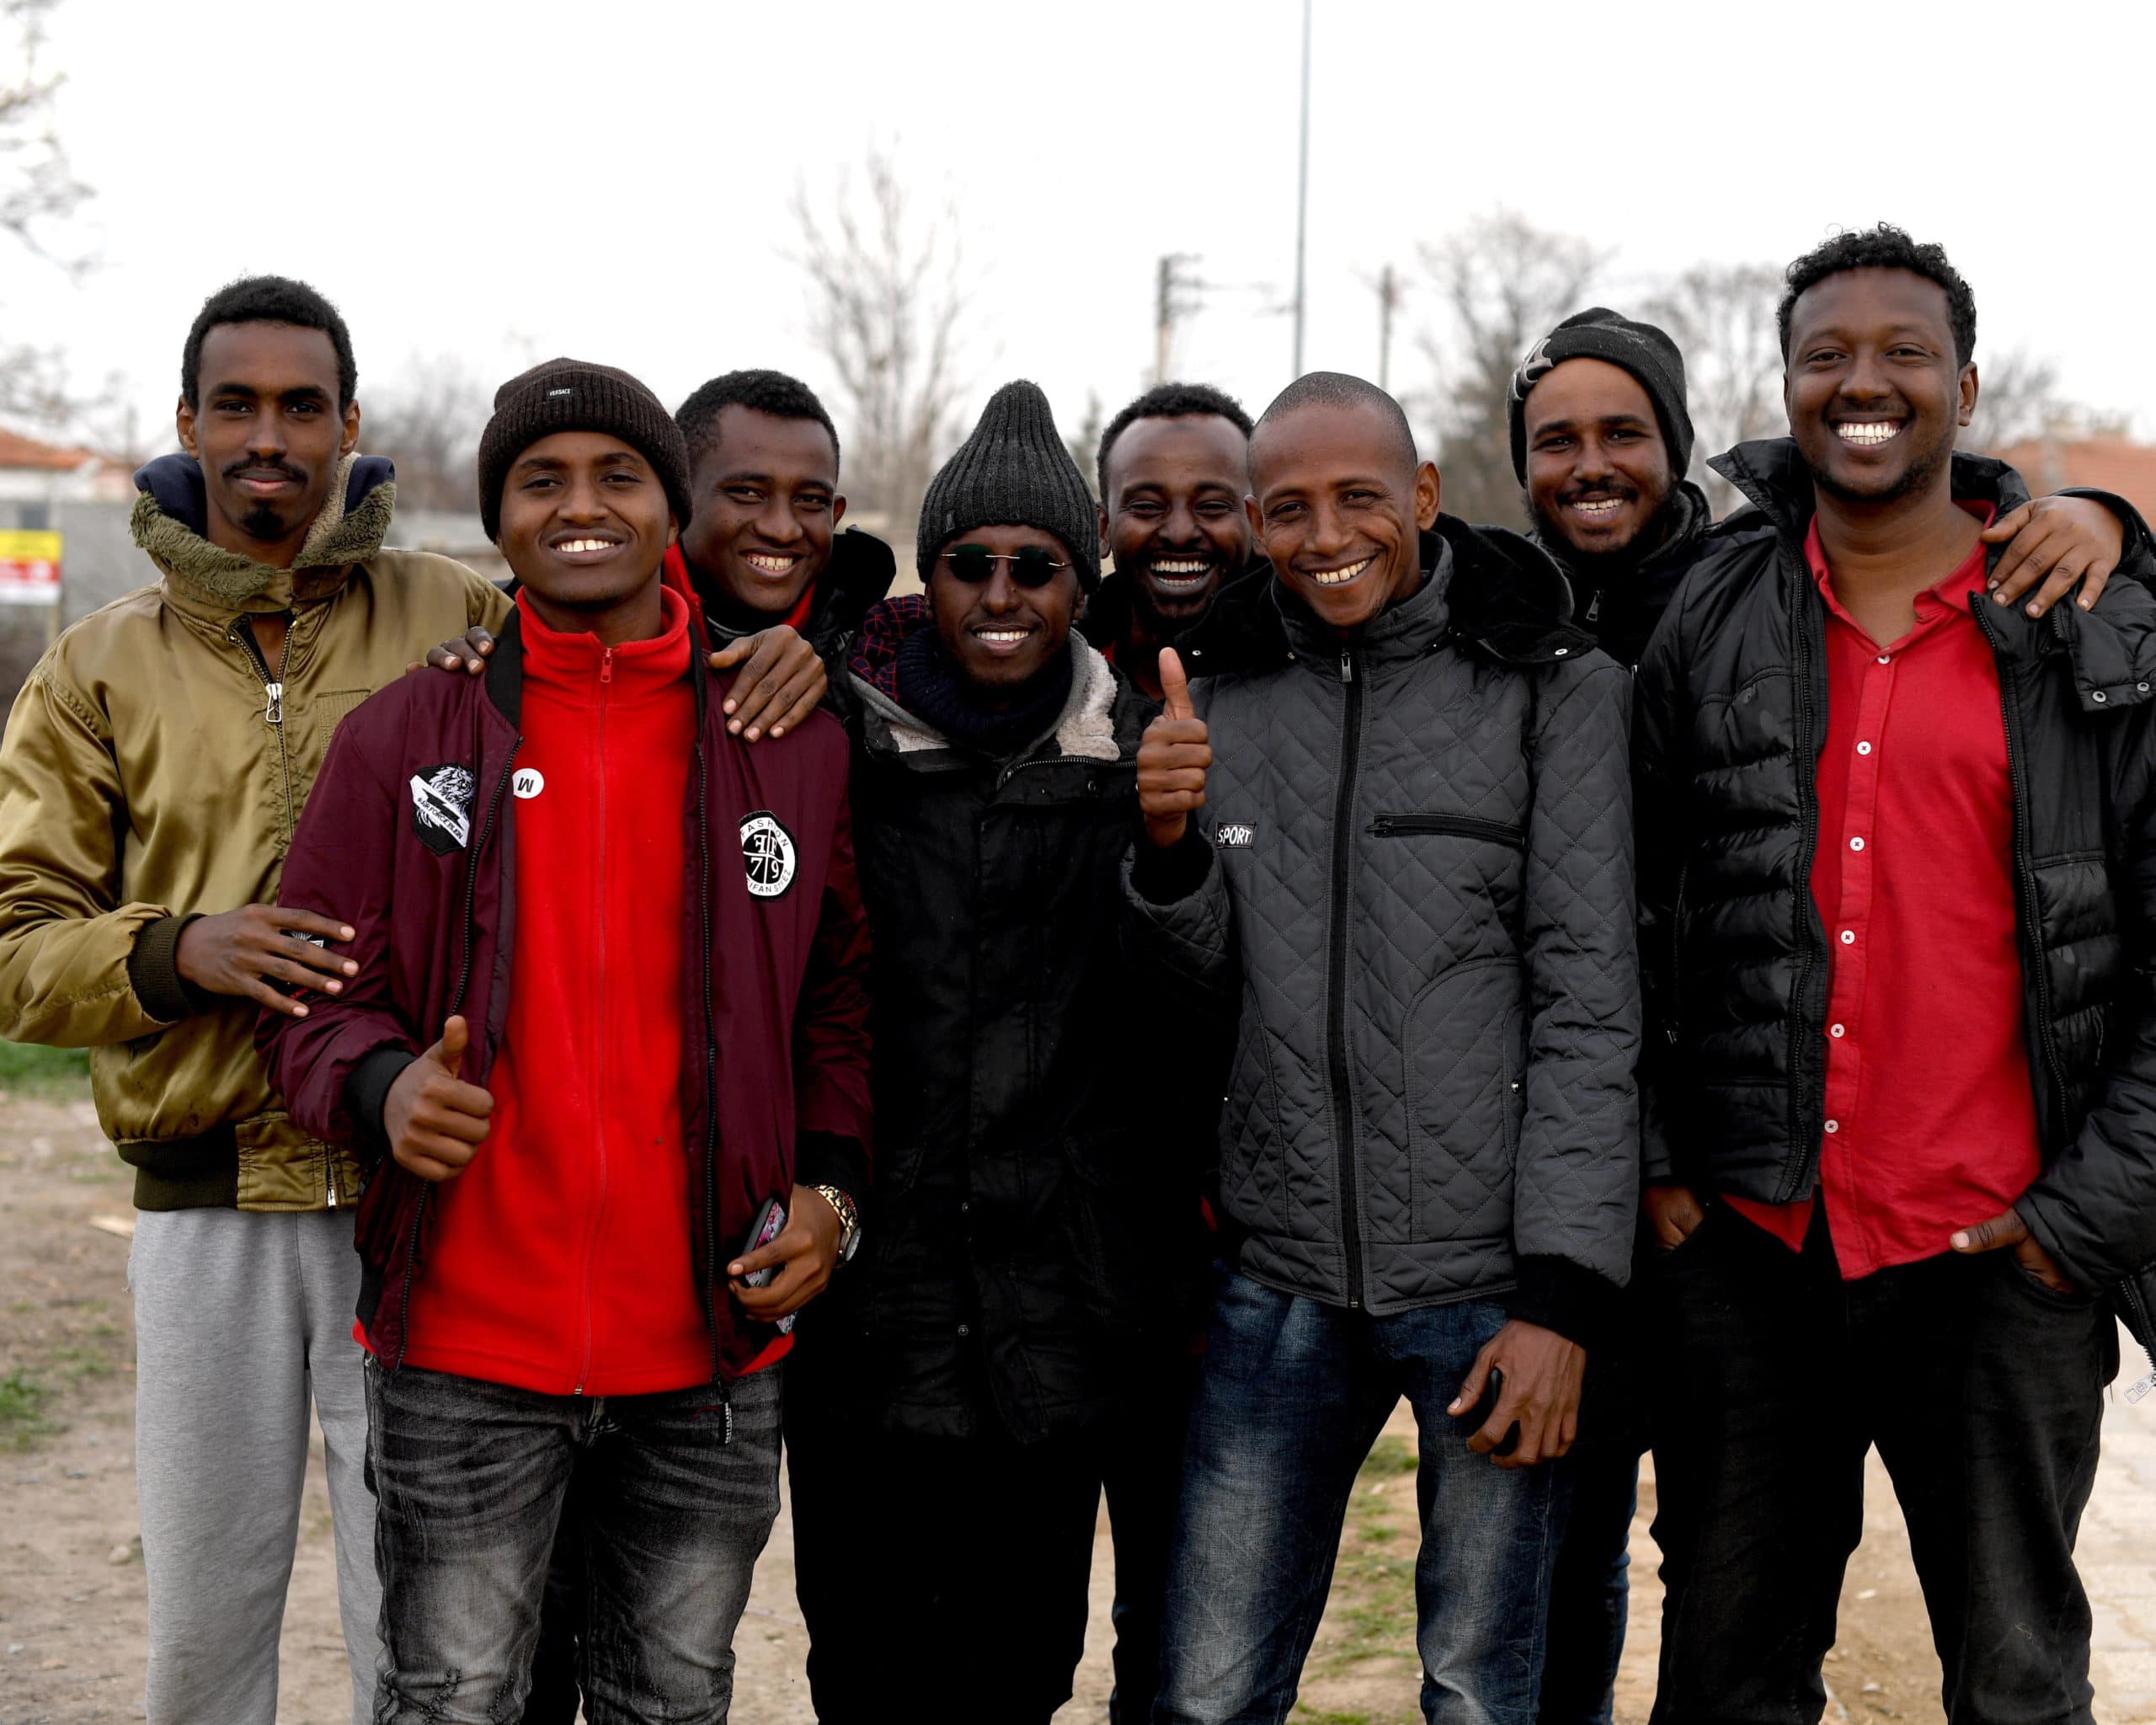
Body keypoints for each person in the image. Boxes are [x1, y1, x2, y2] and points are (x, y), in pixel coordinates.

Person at [1510, 305, 2147, 1725]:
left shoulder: (2083, 620)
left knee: (2019, 1681)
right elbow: (1636, 906)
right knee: (1732, 1678)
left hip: (2000, 1252)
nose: (1865, 380)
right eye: (1826, 354)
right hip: (1753, 1251)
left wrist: (2083, 1224)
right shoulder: (1714, 607)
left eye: (1905, 351)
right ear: (1785, 386)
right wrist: (1667, 1154)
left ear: (1965, 384)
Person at [260, 358, 872, 1725]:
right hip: (464, 1357)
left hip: (710, 1359)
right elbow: (302, 997)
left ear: (671, 510)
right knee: (456, 1697)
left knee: (670, 1696)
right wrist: (377, 1083)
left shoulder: (787, 734)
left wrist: (833, 1193)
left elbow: (836, 1002)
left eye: (617, 476)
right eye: (542, 480)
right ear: (499, 517)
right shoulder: (408, 731)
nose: (579, 505)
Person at [0, 275, 510, 1725]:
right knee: (204, 1630)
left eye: (302, 405)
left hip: (411, 1192)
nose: (269, 434)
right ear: (188, 424)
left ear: (351, 425)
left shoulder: (457, 614)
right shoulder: (98, 665)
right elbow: (14, 941)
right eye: (239, 404)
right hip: (205, 1199)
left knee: (423, 1621)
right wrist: (178, 951)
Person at [1130, 371, 1640, 1724]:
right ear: (1253, 522)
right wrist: (1169, 853)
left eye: (1359, 496)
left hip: (1490, 1289)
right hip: (1280, 1277)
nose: (1324, 534)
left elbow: (1594, 1004)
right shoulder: (1217, 698)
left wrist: (1563, 1301)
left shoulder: (1555, 688)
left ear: (1421, 496)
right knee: (1205, 1692)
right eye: (1286, 508)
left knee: (1482, 1693)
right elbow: (1200, 996)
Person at [785, 379, 1209, 1722]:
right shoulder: (830, 734)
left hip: (1061, 1322)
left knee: (1021, 1668)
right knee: (862, 1669)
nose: (1004, 593)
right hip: (866, 1309)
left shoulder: (1144, 746)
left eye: (1038, 566)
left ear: (1083, 582)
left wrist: (1170, 854)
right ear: (932, 571)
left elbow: (1191, 1018)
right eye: (972, 564)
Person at [1082, 381, 1273, 697]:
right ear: (1103, 529)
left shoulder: (1317, 673)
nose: (1180, 533)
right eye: (1146, 506)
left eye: (1212, 506)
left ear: (1258, 524)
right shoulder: (1055, 678)